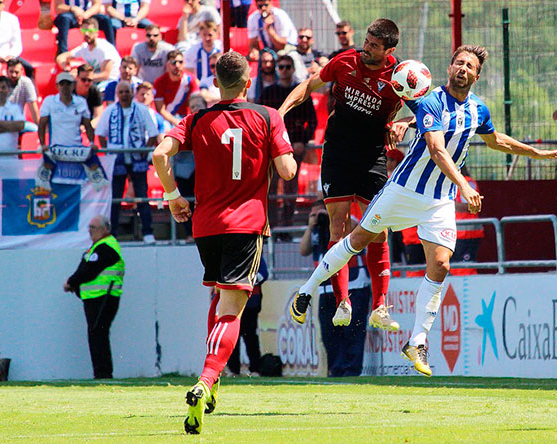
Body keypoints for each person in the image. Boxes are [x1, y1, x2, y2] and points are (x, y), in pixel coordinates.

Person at [293, 45, 557, 377]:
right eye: (459, 63)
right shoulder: (431, 101)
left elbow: (497, 141)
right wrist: (464, 186)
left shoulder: (479, 110)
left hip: (438, 201)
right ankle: (307, 289)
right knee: (357, 240)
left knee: (441, 263)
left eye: (470, 66)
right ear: (449, 68)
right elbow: (436, 149)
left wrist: (539, 154)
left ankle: (417, 341)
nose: (463, 69)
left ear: (477, 75)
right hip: (404, 192)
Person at [152, 51, 296, 434]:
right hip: (245, 224)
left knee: (219, 298)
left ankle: (212, 385)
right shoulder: (268, 116)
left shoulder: (197, 118)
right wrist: (276, 152)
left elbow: (159, 154)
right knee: (232, 309)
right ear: (248, 81)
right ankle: (206, 379)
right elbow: (287, 169)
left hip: (206, 224)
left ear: (216, 83)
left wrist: (173, 197)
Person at [280, 18, 407, 331]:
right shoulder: (344, 62)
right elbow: (306, 88)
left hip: (373, 157)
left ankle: (380, 306)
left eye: (374, 46)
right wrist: (278, 116)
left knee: (377, 228)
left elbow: (426, 109)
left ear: (389, 50)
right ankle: (342, 302)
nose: (366, 48)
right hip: (337, 153)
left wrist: (405, 124)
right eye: (366, 41)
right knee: (337, 224)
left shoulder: (400, 76)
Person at [299, 200, 369, 376]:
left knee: (352, 331)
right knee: (329, 334)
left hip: (353, 285)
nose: (319, 217)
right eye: (313, 214)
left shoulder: (347, 221)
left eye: (321, 213)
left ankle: (352, 370)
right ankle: (335, 369)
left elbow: (356, 229)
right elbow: (303, 250)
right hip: (325, 288)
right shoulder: (315, 230)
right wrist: (311, 225)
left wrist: (332, 218)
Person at [259, 54, 317, 231]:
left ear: (292, 69)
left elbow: (312, 121)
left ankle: (287, 226)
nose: (284, 70)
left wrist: (303, 140)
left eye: (287, 67)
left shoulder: (300, 93)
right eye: (281, 67)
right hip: (273, 146)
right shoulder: (268, 93)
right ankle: (273, 227)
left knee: (291, 187)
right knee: (272, 188)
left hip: (294, 146)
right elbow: (261, 119)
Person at [63, 214, 125, 379]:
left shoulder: (107, 246)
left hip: (104, 296)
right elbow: (85, 268)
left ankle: (103, 374)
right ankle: (101, 373)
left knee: (98, 333)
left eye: (93, 227)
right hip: (94, 297)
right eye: (89, 227)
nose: (90, 231)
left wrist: (71, 282)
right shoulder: (97, 247)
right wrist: (74, 283)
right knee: (96, 334)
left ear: (104, 229)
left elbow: (89, 270)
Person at [96, 81, 158, 244]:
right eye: (121, 92)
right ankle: (112, 233)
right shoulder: (109, 111)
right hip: (117, 160)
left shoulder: (143, 110)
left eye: (127, 92)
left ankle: (148, 232)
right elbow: (101, 134)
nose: (124, 95)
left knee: (142, 196)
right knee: (115, 197)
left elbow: (153, 133)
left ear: (132, 93)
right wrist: (109, 152)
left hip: (138, 159)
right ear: (117, 94)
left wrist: (144, 152)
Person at [37, 71, 105, 191]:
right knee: (56, 184)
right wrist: (43, 144)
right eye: (62, 84)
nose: (64, 87)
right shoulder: (49, 102)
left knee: (76, 184)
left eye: (67, 84)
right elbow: (42, 124)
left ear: (73, 85)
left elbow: (88, 126)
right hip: (56, 151)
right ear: (57, 86)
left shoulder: (81, 102)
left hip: (76, 151)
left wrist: (91, 143)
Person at [225, 256, 268, 377]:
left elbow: (263, 274)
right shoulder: (230, 254)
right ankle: (233, 369)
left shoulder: (255, 254)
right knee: (233, 336)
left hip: (251, 300)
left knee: (250, 336)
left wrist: (244, 281)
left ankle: (255, 369)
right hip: (232, 300)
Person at [56, 18, 121, 86]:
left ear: (97, 33)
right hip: (94, 81)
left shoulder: (104, 48)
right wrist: (67, 69)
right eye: (84, 31)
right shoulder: (84, 48)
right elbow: (61, 57)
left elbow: (105, 75)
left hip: (111, 82)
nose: (86, 34)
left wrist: (81, 77)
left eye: (90, 31)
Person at [451, 165, 484, 275]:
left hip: (468, 234)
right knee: (455, 268)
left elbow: (470, 206)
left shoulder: (468, 183)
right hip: (454, 234)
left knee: (465, 269)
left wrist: (445, 204)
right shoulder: (450, 184)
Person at [153, 50, 199, 126]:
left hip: (186, 117)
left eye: (180, 62)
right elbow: (161, 110)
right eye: (174, 62)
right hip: (167, 119)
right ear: (168, 64)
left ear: (184, 63)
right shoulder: (159, 82)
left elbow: (197, 103)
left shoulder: (190, 79)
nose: (177, 65)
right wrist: (176, 122)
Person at [5, 58, 39, 132]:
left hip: (19, 122)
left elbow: (33, 106)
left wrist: (39, 127)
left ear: (22, 71)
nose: (13, 75)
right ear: (6, 71)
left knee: (36, 130)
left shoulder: (26, 83)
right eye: (11, 72)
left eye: (16, 72)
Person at [75, 63, 104, 128]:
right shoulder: (69, 91)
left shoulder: (94, 91)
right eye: (83, 80)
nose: (86, 83)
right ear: (77, 78)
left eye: (90, 80)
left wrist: (88, 127)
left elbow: (98, 116)